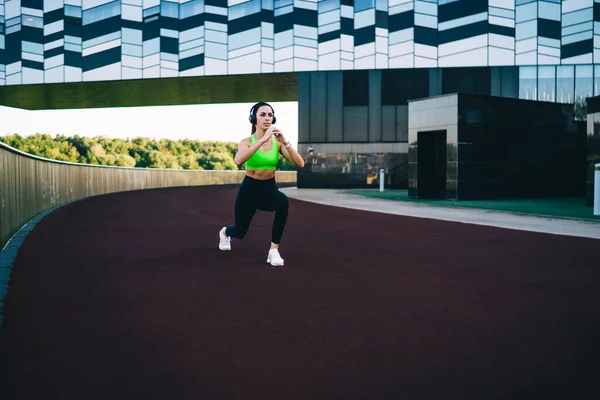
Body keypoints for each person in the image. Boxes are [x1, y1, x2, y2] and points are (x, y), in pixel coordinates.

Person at [218, 102, 305, 267]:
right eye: (263, 115)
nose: (267, 118)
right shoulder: (246, 142)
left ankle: (273, 250)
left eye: (270, 115)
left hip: (268, 189)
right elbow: (238, 160)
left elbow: (300, 164)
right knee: (240, 231)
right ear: (254, 118)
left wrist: (285, 141)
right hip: (249, 191)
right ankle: (224, 232)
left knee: (283, 202)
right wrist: (262, 140)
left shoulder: (278, 143)